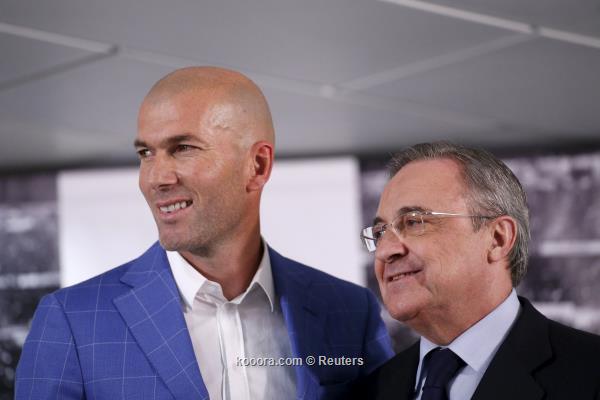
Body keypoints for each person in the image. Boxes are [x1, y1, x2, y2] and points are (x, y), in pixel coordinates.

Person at [16, 67, 393, 400]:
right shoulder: (72, 321)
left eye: (182, 148)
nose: (156, 178)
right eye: (146, 153)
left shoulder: (349, 311)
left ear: (257, 165)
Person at [355, 142, 600, 400]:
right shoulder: (370, 391)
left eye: (414, 222)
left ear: (497, 239)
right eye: (380, 232)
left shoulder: (590, 373)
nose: (385, 251)